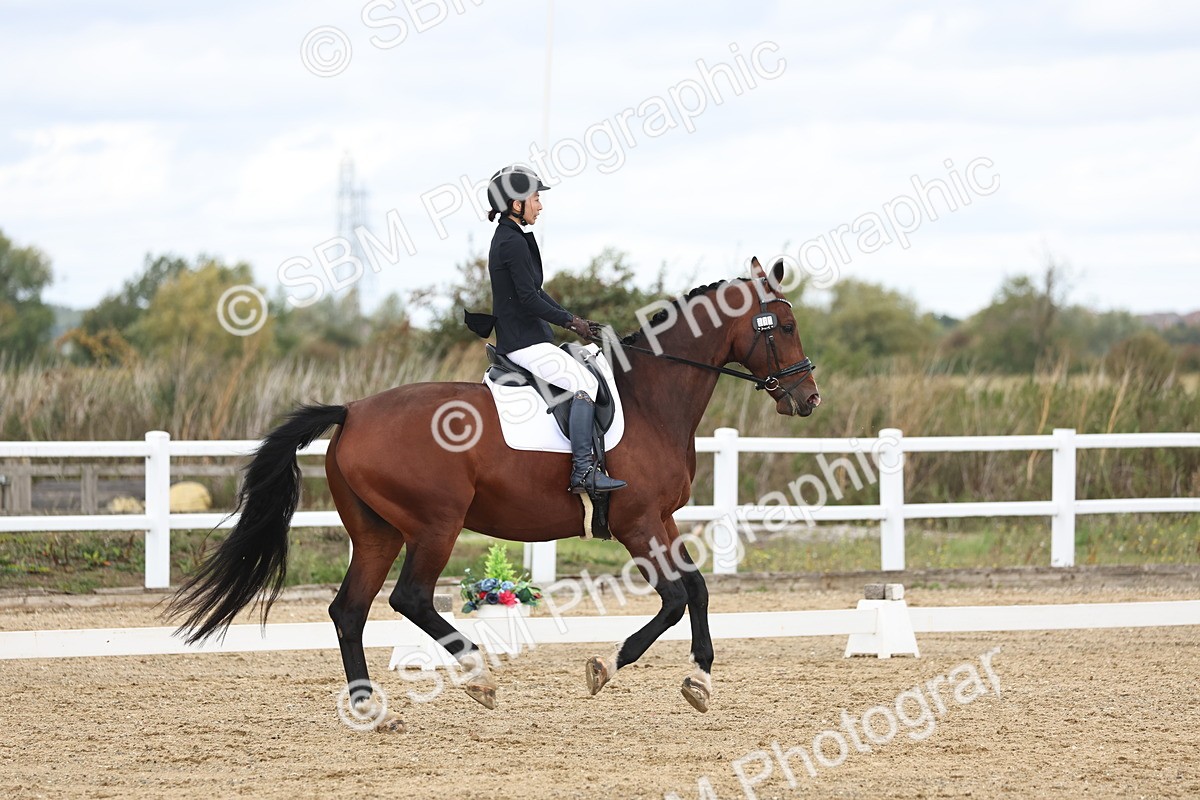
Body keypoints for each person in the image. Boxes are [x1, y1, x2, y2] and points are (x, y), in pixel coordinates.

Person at [482, 164, 625, 495]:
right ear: (516, 203)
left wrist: (575, 320)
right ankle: (583, 471)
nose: (540, 205)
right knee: (584, 383)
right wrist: (569, 322)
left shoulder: (513, 237)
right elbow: (529, 299)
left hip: (529, 337)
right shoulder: (511, 243)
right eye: (535, 198)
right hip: (522, 342)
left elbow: (536, 291)